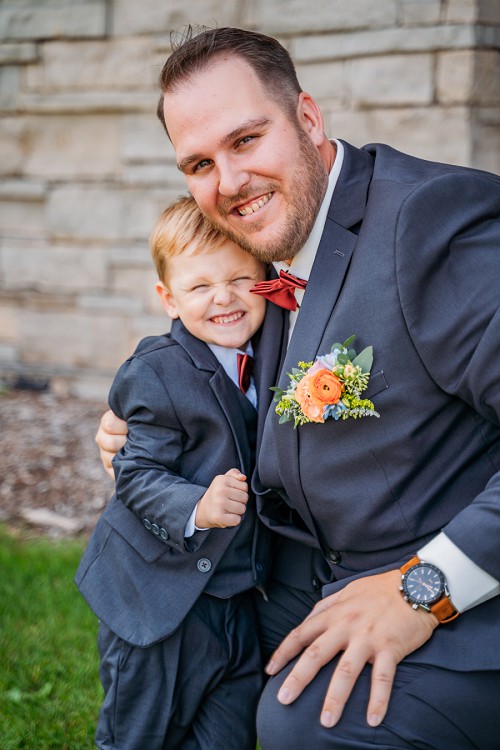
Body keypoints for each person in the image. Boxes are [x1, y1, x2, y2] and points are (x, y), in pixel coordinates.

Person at [95, 26, 500, 750]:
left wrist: (423, 589)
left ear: (308, 118)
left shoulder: (429, 224)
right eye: (199, 163)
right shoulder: (264, 250)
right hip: (298, 564)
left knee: (303, 723)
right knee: (184, 652)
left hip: (452, 576)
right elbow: (208, 347)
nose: (227, 183)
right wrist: (141, 413)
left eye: (246, 140)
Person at [75, 194, 271, 750]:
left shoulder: (271, 354)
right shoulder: (157, 372)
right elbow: (134, 472)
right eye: (200, 286)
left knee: (228, 730)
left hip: (234, 597)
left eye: (240, 279)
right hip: (154, 599)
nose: (224, 298)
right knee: (142, 732)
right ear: (167, 298)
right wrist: (196, 507)